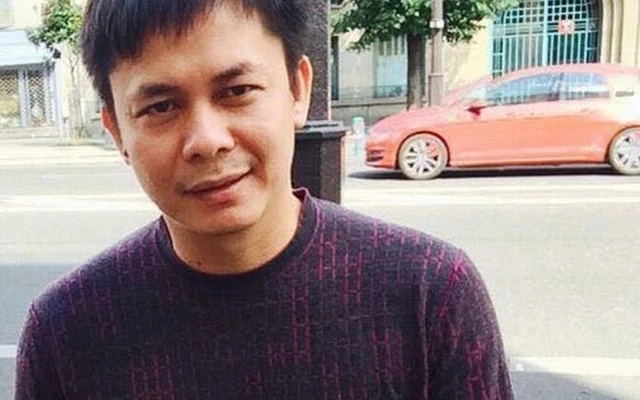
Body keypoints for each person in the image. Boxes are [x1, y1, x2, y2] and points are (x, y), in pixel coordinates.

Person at [14, 0, 513, 398]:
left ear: (298, 90)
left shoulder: (429, 293)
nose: (207, 140)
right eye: (161, 106)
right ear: (117, 131)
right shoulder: (66, 332)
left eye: (237, 91)